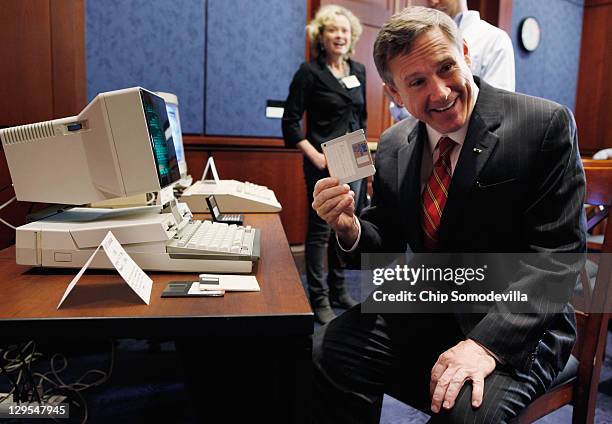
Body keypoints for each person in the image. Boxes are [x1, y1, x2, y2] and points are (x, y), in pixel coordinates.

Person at [311, 6, 585, 423]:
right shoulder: (393, 144)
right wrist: (349, 228)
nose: (440, 92)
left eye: (446, 67)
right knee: (328, 350)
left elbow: (558, 256)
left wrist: (486, 344)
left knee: (465, 411)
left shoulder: (543, 125)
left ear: (467, 56)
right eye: (418, 81)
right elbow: (383, 237)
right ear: (394, 94)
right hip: (433, 303)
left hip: (522, 321)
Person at [282, 5, 367, 324]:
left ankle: (339, 288)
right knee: (320, 230)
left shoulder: (358, 70)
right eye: (333, 30)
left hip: (354, 155)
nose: (340, 35)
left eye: (345, 30)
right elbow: (290, 121)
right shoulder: (309, 72)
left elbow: (362, 117)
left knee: (347, 223)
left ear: (352, 36)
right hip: (323, 160)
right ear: (321, 35)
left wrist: (363, 154)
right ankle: (318, 298)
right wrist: (314, 155)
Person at [389, 0, 515, 122]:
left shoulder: (494, 39)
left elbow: (496, 108)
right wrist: (403, 102)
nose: (433, 2)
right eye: (418, 82)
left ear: (466, 53)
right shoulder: (417, 45)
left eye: (446, 68)